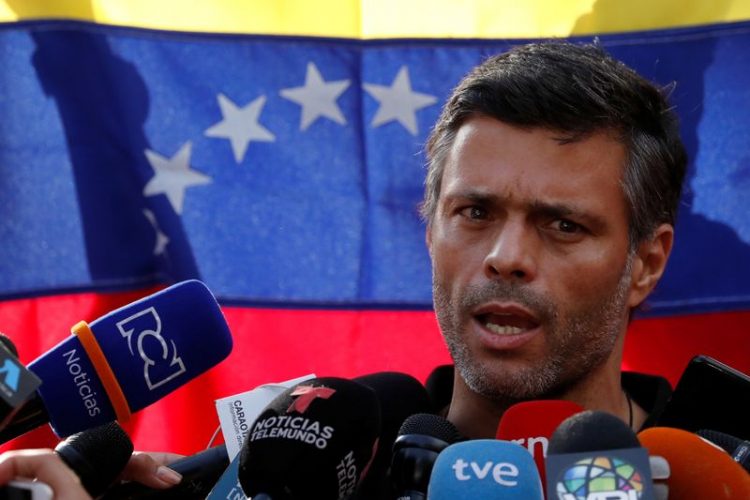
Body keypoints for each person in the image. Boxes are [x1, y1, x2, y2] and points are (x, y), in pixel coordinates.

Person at [422, 41, 686, 439]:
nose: (506, 257)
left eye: (564, 225)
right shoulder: (333, 467)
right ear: (430, 233)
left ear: (646, 265)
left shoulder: (724, 480)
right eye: (475, 213)